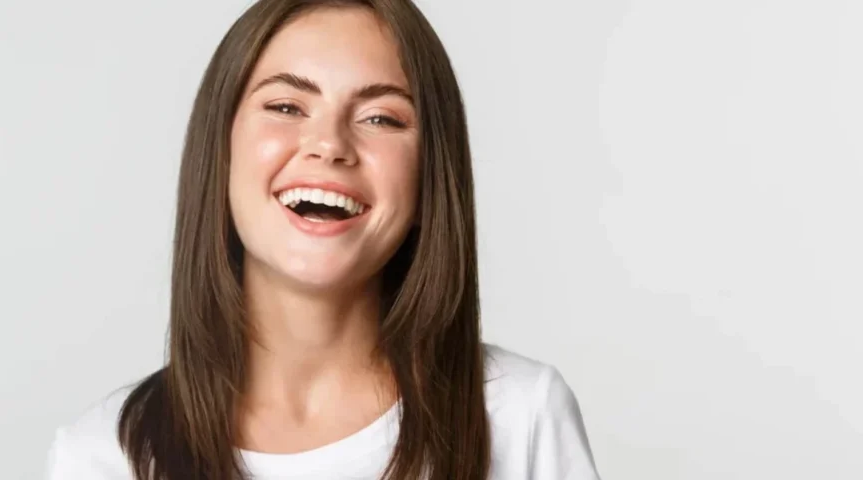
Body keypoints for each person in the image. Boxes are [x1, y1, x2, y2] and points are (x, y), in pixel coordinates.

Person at [46, 0, 601, 478]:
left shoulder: (521, 415)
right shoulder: (102, 457)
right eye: (286, 107)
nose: (329, 144)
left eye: (381, 118)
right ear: (220, 153)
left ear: (431, 178)